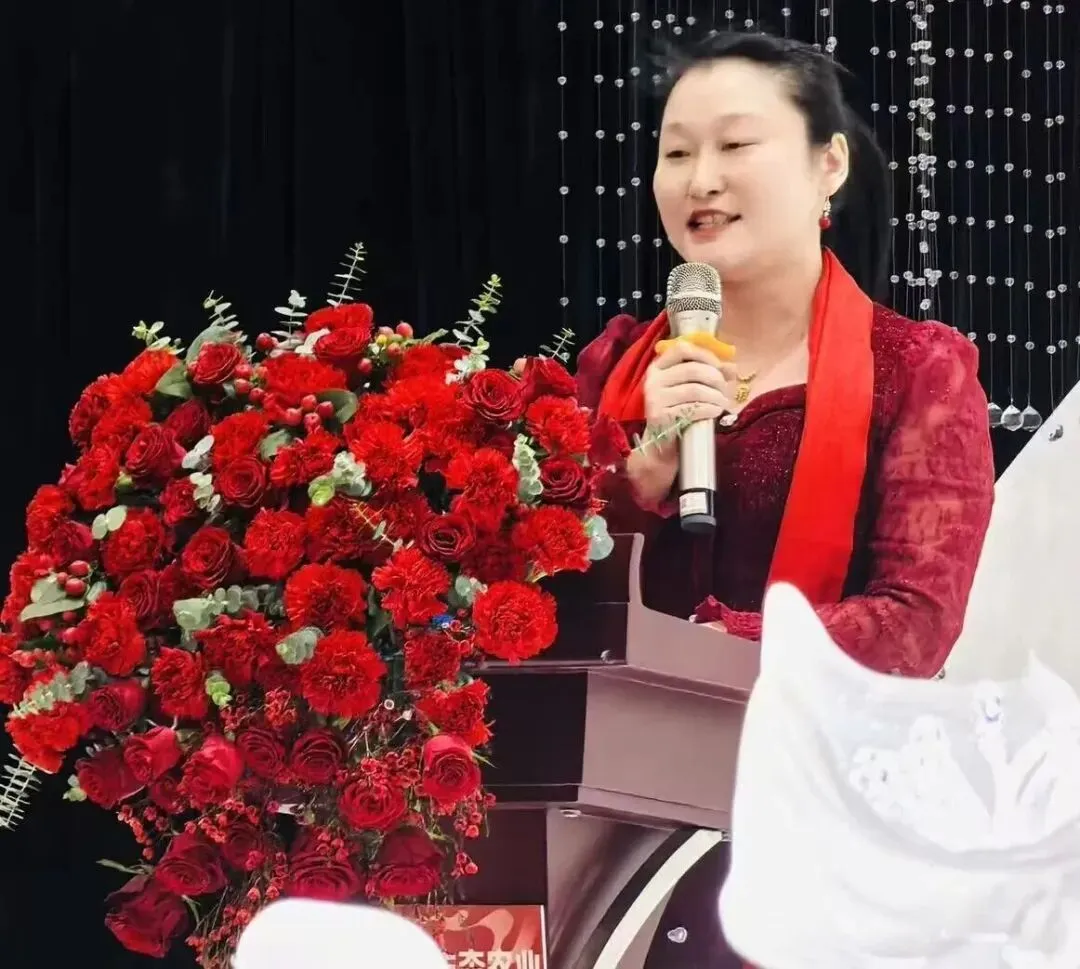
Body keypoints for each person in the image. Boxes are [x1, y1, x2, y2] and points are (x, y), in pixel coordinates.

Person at [573, 30, 996, 968]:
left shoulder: (916, 371)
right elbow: (536, 589)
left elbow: (915, 622)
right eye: (676, 153)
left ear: (827, 166)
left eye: (735, 144)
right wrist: (632, 482)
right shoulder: (613, 369)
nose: (700, 179)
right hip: (608, 840)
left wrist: (714, 653)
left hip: (824, 832)